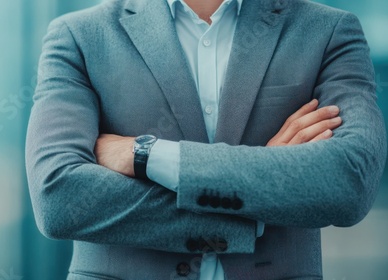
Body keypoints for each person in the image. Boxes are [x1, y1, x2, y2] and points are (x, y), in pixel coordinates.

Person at [25, 0, 387, 278]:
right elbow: (58, 199)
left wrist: (148, 155)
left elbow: (349, 183)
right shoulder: (80, 36)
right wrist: (260, 192)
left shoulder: (328, 31)